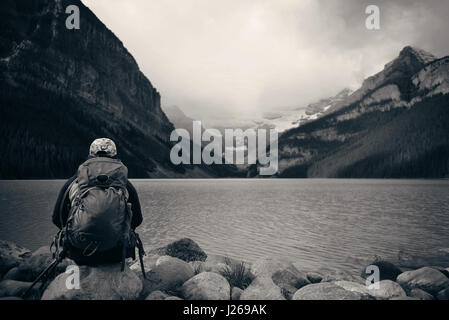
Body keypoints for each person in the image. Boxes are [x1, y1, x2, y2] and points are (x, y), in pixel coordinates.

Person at [52, 138, 143, 265]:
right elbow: (137, 219)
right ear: (114, 155)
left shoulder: (75, 182)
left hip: (79, 253)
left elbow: (57, 218)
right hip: (116, 254)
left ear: (90, 155)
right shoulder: (125, 185)